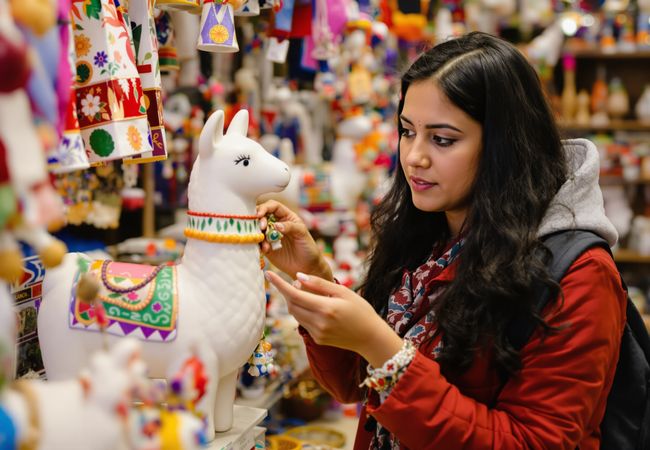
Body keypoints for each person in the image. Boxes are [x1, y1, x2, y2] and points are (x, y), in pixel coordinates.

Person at [258, 31, 626, 449]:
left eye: (442, 139)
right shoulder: (430, 231)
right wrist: (315, 277)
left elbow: (534, 441)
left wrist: (384, 349)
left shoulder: (579, 273)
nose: (414, 157)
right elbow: (355, 385)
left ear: (506, 145)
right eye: (407, 131)